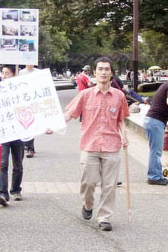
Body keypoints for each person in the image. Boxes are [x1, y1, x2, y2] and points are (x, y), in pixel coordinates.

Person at [64, 57, 129, 232]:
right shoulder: (85, 95)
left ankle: (104, 217)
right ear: (94, 72)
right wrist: (52, 125)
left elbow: (121, 120)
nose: (103, 72)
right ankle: (87, 204)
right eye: (100, 69)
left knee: (109, 185)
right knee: (88, 182)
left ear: (111, 73)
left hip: (112, 145)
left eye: (107, 69)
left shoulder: (119, 96)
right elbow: (69, 114)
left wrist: (124, 136)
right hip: (89, 145)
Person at [0, 65, 26, 206]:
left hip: (18, 132)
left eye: (7, 73)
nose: (4, 75)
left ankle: (15, 189)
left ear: (14, 74)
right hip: (2, 132)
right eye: (3, 73)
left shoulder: (21, 90)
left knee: (18, 164)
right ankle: (2, 193)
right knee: (2, 164)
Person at [19, 65, 40, 158]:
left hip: (34, 100)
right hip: (24, 100)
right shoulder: (21, 72)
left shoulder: (38, 72)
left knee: (31, 124)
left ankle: (30, 148)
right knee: (25, 124)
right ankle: (28, 146)